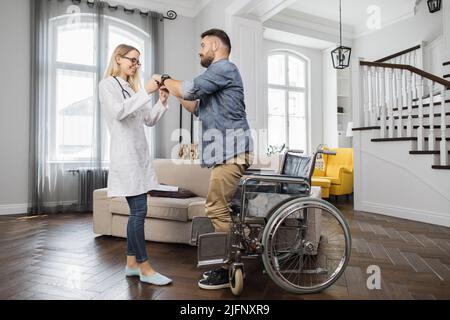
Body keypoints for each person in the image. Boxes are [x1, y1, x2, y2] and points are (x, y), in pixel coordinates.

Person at [152, 29, 253, 290]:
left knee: (215, 207)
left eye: (203, 45)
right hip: (224, 153)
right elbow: (194, 104)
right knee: (219, 207)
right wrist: (171, 89)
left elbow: (189, 89)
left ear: (216, 46)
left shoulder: (223, 69)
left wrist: (164, 78)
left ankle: (226, 266)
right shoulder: (217, 77)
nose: (199, 50)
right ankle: (233, 253)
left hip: (232, 152)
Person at [99, 44, 172, 286]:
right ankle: (145, 267)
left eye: (138, 62)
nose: (136, 65)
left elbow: (148, 120)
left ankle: (131, 264)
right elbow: (118, 112)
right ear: (118, 59)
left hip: (140, 158)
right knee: (139, 211)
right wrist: (146, 92)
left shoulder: (133, 89)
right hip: (126, 158)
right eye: (132, 59)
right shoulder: (107, 85)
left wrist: (160, 102)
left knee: (137, 211)